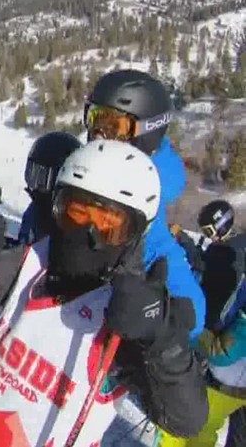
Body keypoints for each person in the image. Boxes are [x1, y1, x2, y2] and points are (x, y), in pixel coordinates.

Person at [0, 140, 207, 447]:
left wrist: (160, 341)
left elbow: (186, 419)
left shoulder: (123, 312)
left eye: (109, 226)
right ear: (56, 208)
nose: (87, 235)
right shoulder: (33, 263)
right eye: (77, 215)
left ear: (135, 234)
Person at [84, 68, 207, 337]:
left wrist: (158, 317)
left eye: (113, 126)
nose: (98, 135)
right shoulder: (86, 177)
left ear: (146, 133)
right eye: (94, 119)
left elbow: (191, 314)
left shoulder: (141, 214)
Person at [161, 200, 246, 447]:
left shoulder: (229, 254)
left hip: (228, 366)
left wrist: (203, 333)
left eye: (210, 230)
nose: (210, 236)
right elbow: (204, 264)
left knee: (195, 424)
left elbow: (219, 305)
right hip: (230, 360)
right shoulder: (230, 250)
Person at [13, 131, 82, 247]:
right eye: (33, 175)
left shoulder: (71, 227)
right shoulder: (35, 211)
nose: (35, 186)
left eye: (42, 179)